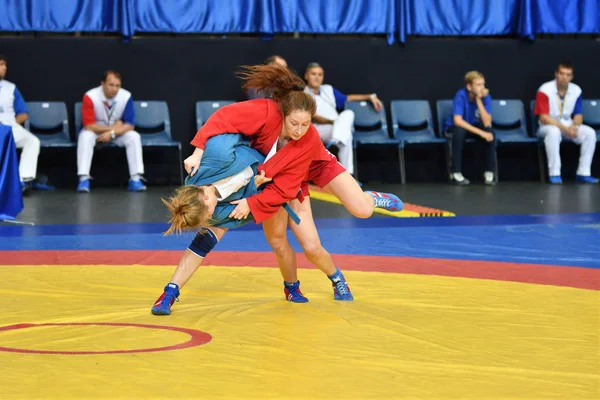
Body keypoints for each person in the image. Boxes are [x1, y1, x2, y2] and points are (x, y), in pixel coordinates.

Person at [151, 64, 402, 315]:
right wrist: (198, 151)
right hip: (278, 178)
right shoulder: (207, 195)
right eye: (294, 123)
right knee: (285, 242)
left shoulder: (304, 137)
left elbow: (285, 185)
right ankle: (293, 286)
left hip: (313, 163)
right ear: (283, 113)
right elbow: (224, 119)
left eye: (304, 124)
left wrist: (246, 199)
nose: (298, 130)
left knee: (360, 209)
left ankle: (369, 198)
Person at [304, 62, 383, 178]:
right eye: (313, 74)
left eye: (320, 74)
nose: (317, 77)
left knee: (348, 114)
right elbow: (312, 116)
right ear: (306, 76)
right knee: (345, 134)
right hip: (318, 130)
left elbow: (349, 98)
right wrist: (335, 122)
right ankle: (348, 175)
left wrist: (370, 96)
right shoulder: (302, 93)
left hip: (336, 129)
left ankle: (336, 144)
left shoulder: (328, 89)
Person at [77, 70, 146, 192]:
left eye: (117, 85)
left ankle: (135, 179)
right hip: (96, 132)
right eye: (111, 85)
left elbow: (130, 125)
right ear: (102, 83)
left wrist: (112, 133)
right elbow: (88, 125)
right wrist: (112, 129)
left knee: (134, 136)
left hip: (116, 133)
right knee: (85, 136)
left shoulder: (126, 96)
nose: (114, 89)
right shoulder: (90, 96)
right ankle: (83, 179)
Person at [534, 61, 598, 184]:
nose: (564, 77)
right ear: (556, 74)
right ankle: (554, 174)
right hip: (548, 126)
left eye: (568, 75)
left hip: (568, 125)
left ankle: (583, 173)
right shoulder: (544, 90)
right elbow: (543, 117)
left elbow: (578, 115)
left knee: (589, 133)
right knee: (554, 132)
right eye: (562, 74)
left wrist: (575, 126)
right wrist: (564, 128)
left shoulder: (576, 90)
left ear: (572, 77)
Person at [0, 54, 50, 195]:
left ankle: (22, 181)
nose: (4, 68)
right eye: (1, 64)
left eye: (5, 64)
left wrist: (12, 123)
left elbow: (23, 114)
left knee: (32, 141)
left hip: (9, 127)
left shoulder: (11, 88)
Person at [443, 71, 496, 185]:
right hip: (456, 128)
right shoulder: (460, 95)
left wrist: (478, 100)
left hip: (473, 127)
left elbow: (486, 123)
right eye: (478, 85)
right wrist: (481, 133)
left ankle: (489, 173)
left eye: (483, 84)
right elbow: (458, 121)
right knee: (460, 132)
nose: (482, 88)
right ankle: (456, 173)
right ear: (469, 86)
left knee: (490, 132)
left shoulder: (485, 97)